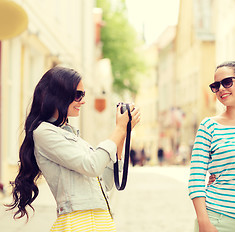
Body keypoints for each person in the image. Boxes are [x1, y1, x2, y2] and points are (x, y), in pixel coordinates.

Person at [5, 66, 140, 231]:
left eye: (83, 95)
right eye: (78, 95)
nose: (83, 101)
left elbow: (106, 183)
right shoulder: (44, 132)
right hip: (79, 223)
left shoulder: (74, 138)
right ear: (57, 95)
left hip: (100, 220)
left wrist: (123, 134)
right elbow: (92, 166)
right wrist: (118, 129)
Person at [188, 61, 235, 232]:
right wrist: (204, 223)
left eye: (227, 82)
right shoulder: (209, 127)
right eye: (216, 85)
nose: (221, 88)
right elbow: (195, 180)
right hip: (218, 220)